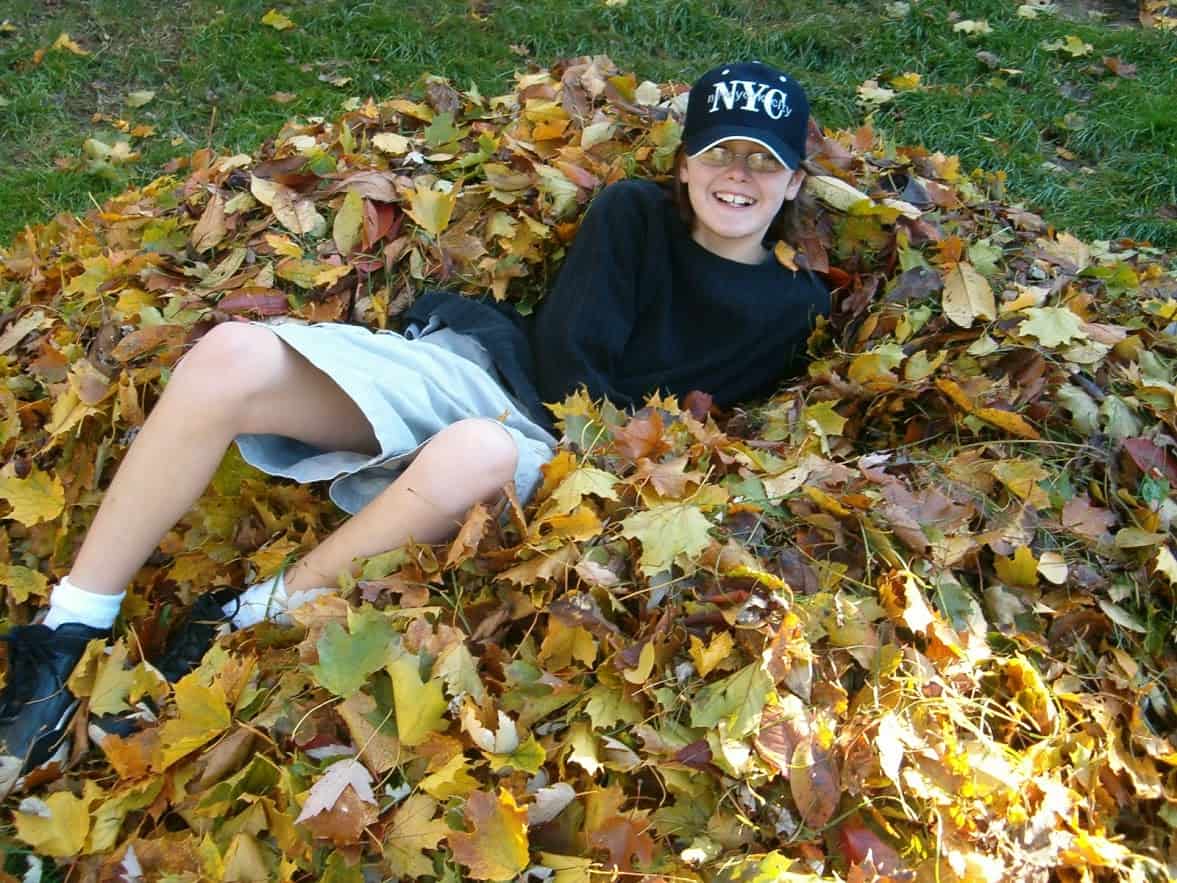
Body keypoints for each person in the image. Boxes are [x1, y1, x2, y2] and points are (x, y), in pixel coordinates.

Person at [0, 61, 829, 789]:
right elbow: (569, 352)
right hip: (497, 374)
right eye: (721, 151)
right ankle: (68, 629)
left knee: (479, 451)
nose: (739, 175)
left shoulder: (793, 308)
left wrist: (627, 466)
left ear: (793, 183)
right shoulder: (632, 214)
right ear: (686, 162)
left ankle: (245, 614)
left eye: (765, 161)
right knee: (230, 354)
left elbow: (715, 425)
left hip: (576, 459)